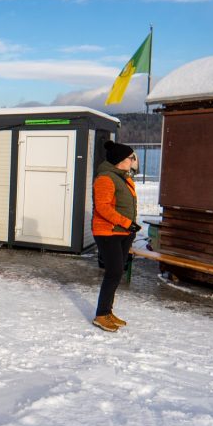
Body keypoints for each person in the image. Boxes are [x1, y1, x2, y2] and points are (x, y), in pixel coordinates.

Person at [91, 140, 141, 332]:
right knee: (113, 272)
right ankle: (101, 315)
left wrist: (130, 227)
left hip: (122, 232)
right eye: (131, 158)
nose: (132, 161)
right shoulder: (106, 178)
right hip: (108, 232)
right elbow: (103, 208)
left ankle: (107, 311)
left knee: (117, 272)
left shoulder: (122, 177)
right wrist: (127, 223)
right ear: (120, 160)